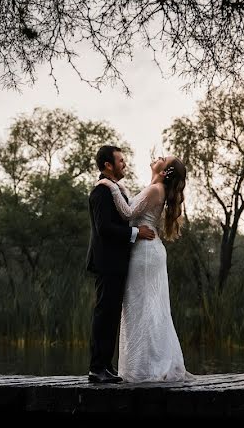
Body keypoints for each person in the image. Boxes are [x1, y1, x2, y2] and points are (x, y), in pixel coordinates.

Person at [95, 155, 194, 383]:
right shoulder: (154, 189)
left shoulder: (155, 189)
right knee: (144, 307)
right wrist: (118, 187)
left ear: (165, 171)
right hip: (146, 250)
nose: (157, 157)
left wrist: (110, 185)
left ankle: (147, 369)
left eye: (163, 158)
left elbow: (128, 214)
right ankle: (145, 366)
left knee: (144, 307)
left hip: (146, 253)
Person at [86, 145, 156, 383]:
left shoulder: (115, 190)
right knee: (105, 313)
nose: (124, 164)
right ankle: (97, 368)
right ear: (108, 165)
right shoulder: (101, 192)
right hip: (107, 262)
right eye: (121, 160)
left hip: (116, 262)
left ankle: (106, 366)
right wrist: (137, 232)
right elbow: (104, 228)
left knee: (112, 314)